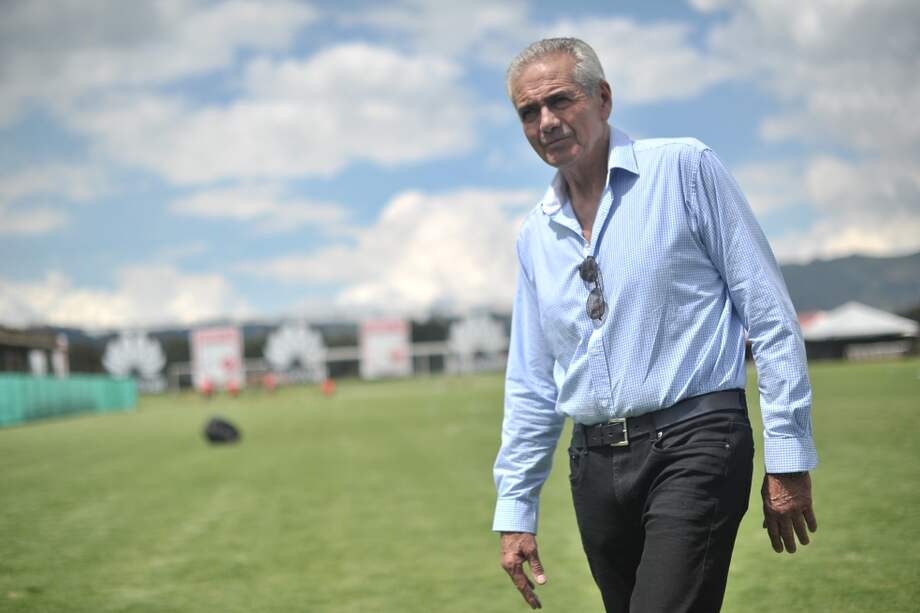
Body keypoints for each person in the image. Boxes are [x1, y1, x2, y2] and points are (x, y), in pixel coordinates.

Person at [493, 37, 818, 612]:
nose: (546, 121)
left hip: (696, 441)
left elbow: (767, 314)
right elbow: (531, 382)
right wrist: (515, 511)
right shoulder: (534, 235)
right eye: (528, 111)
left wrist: (787, 457)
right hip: (593, 465)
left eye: (560, 101)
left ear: (603, 98)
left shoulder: (684, 168)